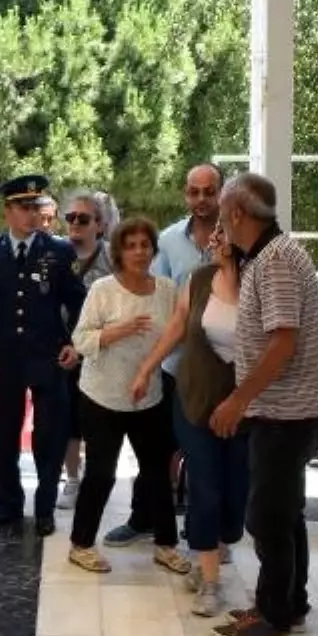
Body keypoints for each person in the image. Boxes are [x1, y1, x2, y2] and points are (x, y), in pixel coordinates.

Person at [208, 173, 318, 636]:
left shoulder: (276, 260)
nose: (219, 216)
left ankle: (273, 617)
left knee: (265, 516)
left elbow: (284, 341)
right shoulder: (265, 255)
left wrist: (239, 400)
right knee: (284, 512)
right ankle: (289, 602)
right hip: (289, 409)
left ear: (237, 212)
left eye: (223, 207)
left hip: (290, 412)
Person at [132, 224, 247, 616]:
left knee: (236, 494)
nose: (215, 244)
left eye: (223, 238)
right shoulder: (199, 281)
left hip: (243, 404)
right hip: (194, 398)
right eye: (214, 238)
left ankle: (214, 547)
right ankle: (211, 581)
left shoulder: (260, 284)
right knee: (205, 487)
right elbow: (177, 327)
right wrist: (147, 367)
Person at [104, 163, 222, 548]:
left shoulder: (237, 238)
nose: (202, 199)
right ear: (185, 194)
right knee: (158, 451)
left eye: (209, 191)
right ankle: (144, 518)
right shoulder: (169, 241)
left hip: (225, 368)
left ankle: (212, 532)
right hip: (175, 365)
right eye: (194, 191)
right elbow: (157, 301)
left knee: (213, 453)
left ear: (220, 193)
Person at [66, 218, 190, 575]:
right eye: (130, 245)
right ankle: (81, 544)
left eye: (145, 245)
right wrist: (114, 332)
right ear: (119, 251)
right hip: (101, 396)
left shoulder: (166, 290)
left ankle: (166, 545)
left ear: (153, 249)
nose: (139, 252)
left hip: (148, 395)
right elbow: (81, 340)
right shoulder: (104, 290)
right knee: (101, 473)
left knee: (156, 472)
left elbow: (177, 334)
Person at [0, 174, 86, 537]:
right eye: (24, 207)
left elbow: (78, 302)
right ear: (7, 211)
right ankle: (8, 505)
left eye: (36, 207)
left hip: (48, 357)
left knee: (49, 435)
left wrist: (75, 343)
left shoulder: (59, 251)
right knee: (3, 435)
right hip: (5, 359)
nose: (32, 214)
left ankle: (45, 507)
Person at [57, 190, 115, 510]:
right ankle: (72, 479)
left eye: (83, 219)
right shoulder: (55, 255)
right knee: (68, 422)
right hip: (63, 350)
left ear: (100, 225)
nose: (75, 224)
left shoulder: (112, 260)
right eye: (70, 218)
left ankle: (95, 480)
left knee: (98, 422)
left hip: (100, 351)